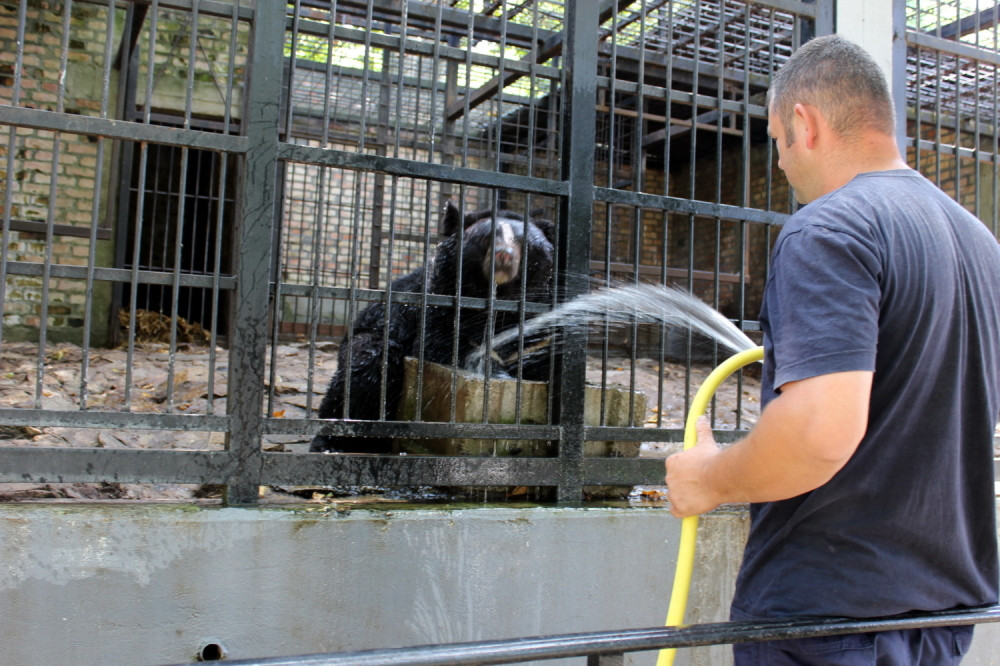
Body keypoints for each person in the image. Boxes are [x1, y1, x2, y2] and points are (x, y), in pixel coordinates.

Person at [664, 34, 1000, 665]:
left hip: (830, 625)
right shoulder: (982, 246)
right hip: (945, 619)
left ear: (804, 123)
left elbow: (818, 433)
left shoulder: (830, 227)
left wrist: (707, 479)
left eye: (775, 139)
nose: (782, 165)